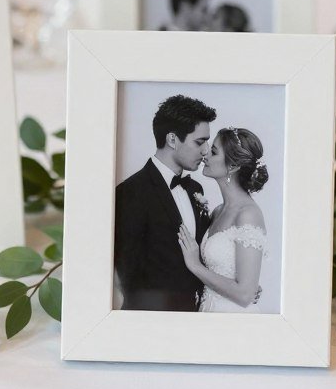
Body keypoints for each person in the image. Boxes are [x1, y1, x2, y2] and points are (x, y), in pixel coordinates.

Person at [114, 95, 216, 311]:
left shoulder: (195, 189)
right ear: (172, 140)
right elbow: (127, 276)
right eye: (200, 141)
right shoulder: (129, 193)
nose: (206, 150)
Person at [178, 127, 268, 312]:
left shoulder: (248, 214)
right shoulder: (218, 211)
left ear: (233, 166)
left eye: (214, 152)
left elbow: (244, 295)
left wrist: (195, 266)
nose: (205, 155)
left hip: (233, 318)